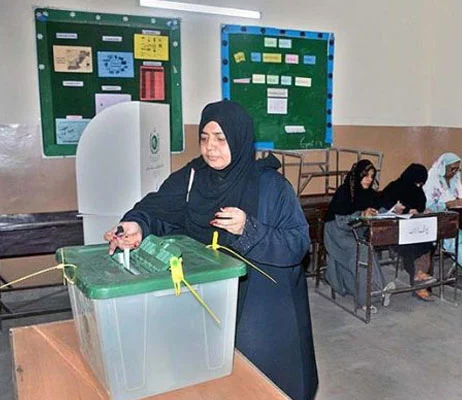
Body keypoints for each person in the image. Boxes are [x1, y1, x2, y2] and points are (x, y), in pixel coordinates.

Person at [103, 100, 318, 400]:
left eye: (220, 138)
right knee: (208, 377)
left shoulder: (270, 186)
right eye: (204, 138)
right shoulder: (193, 178)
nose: (210, 147)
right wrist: (138, 225)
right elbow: (161, 212)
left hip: (259, 301)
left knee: (259, 382)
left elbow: (297, 245)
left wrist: (249, 229)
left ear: (240, 138)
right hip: (206, 296)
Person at [324, 160, 396, 312]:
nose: (369, 179)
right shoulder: (344, 192)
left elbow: (378, 208)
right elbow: (341, 221)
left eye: (372, 176)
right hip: (337, 232)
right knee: (361, 250)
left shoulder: (369, 194)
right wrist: (360, 214)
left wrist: (394, 210)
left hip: (354, 232)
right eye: (366, 176)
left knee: (366, 249)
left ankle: (378, 291)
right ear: (357, 176)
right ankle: (366, 299)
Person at [378, 163, 436, 301]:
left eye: (421, 184)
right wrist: (405, 210)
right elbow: (384, 207)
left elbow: (420, 205)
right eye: (416, 183)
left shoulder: (418, 190)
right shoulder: (394, 187)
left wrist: (422, 212)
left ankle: (420, 276)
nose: (418, 187)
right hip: (395, 229)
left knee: (428, 241)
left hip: (414, 227)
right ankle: (419, 281)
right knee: (412, 244)